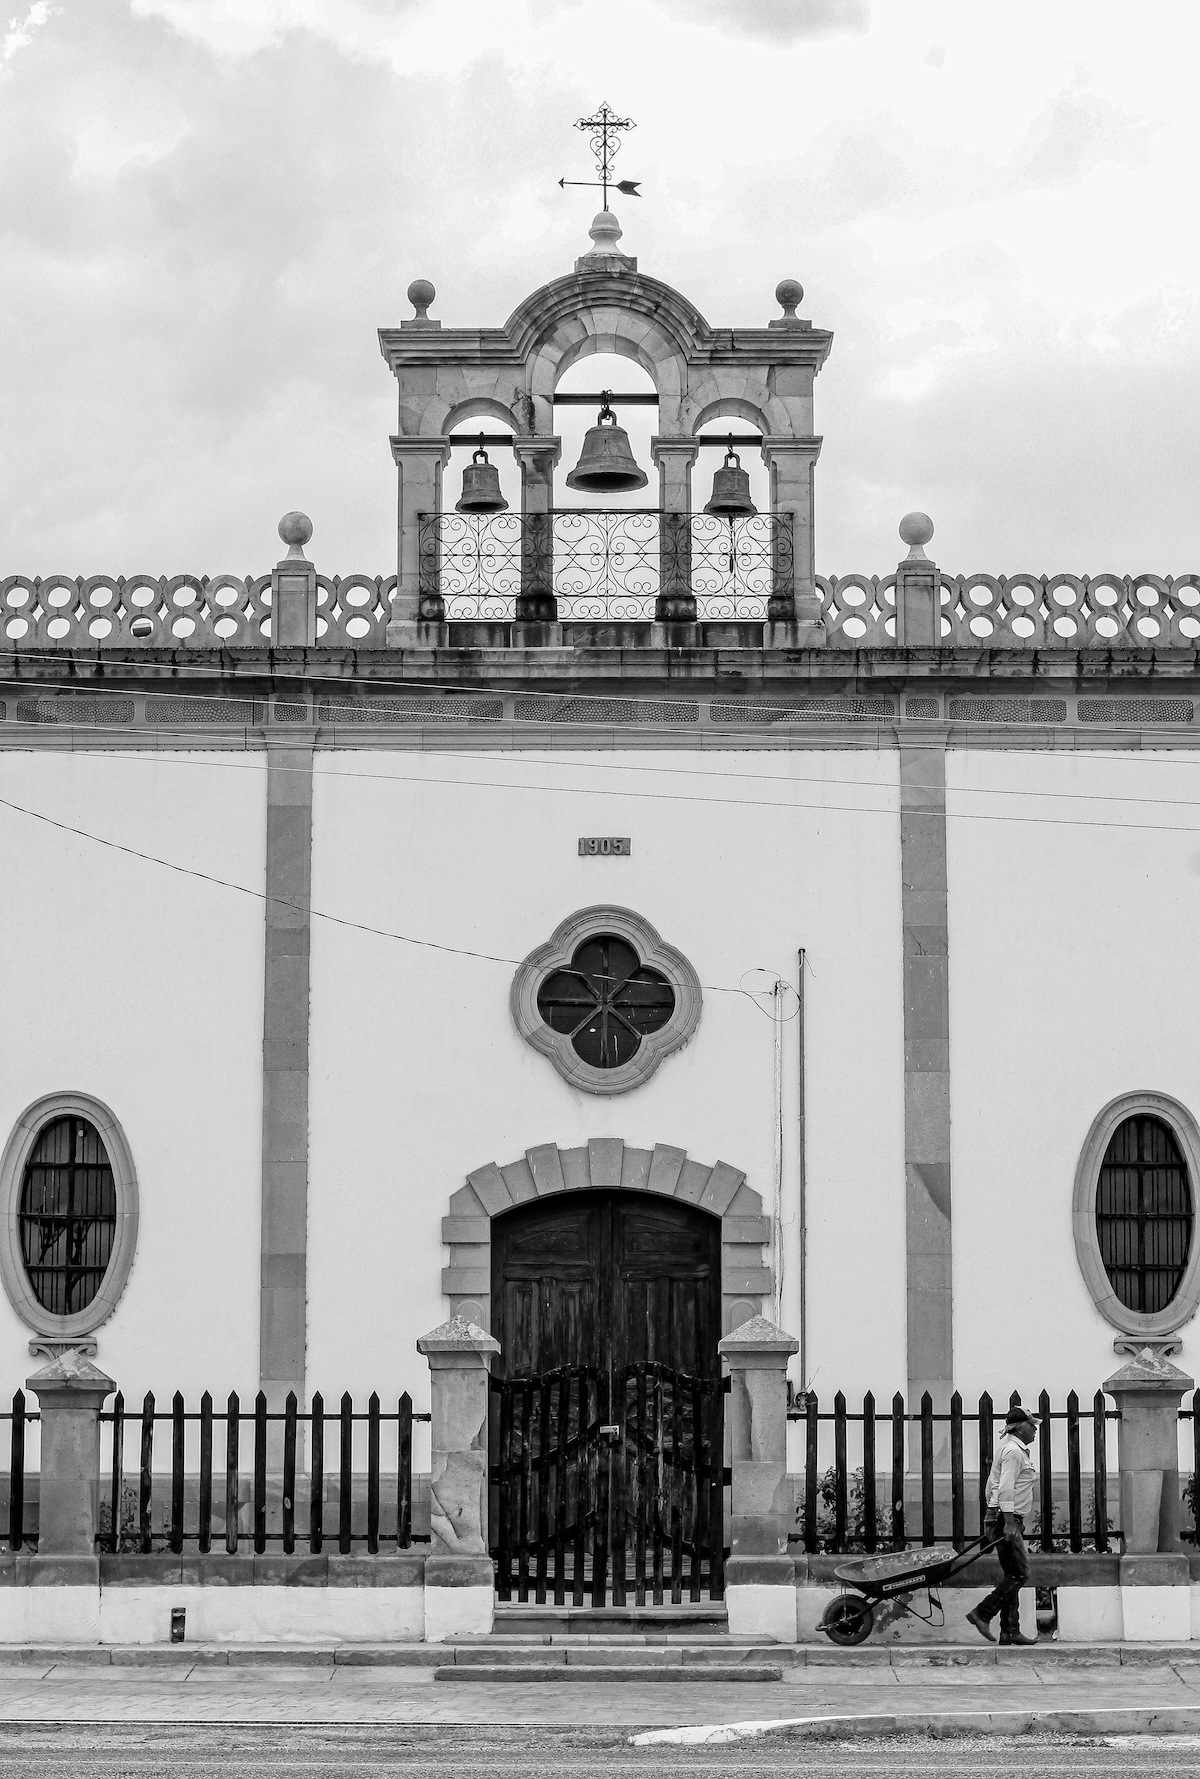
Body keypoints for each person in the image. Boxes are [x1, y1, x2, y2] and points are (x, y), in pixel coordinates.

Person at [966, 1405, 1039, 1646]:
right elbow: (1005, 1487)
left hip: (1006, 1517)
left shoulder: (1010, 1449)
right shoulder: (1014, 1452)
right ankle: (983, 1613)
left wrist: (990, 1517)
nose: (1035, 1429)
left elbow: (992, 1485)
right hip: (1009, 1519)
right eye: (1032, 1425)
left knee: (1012, 1574)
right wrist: (1007, 1523)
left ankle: (1010, 1630)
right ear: (1020, 1428)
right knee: (1021, 1573)